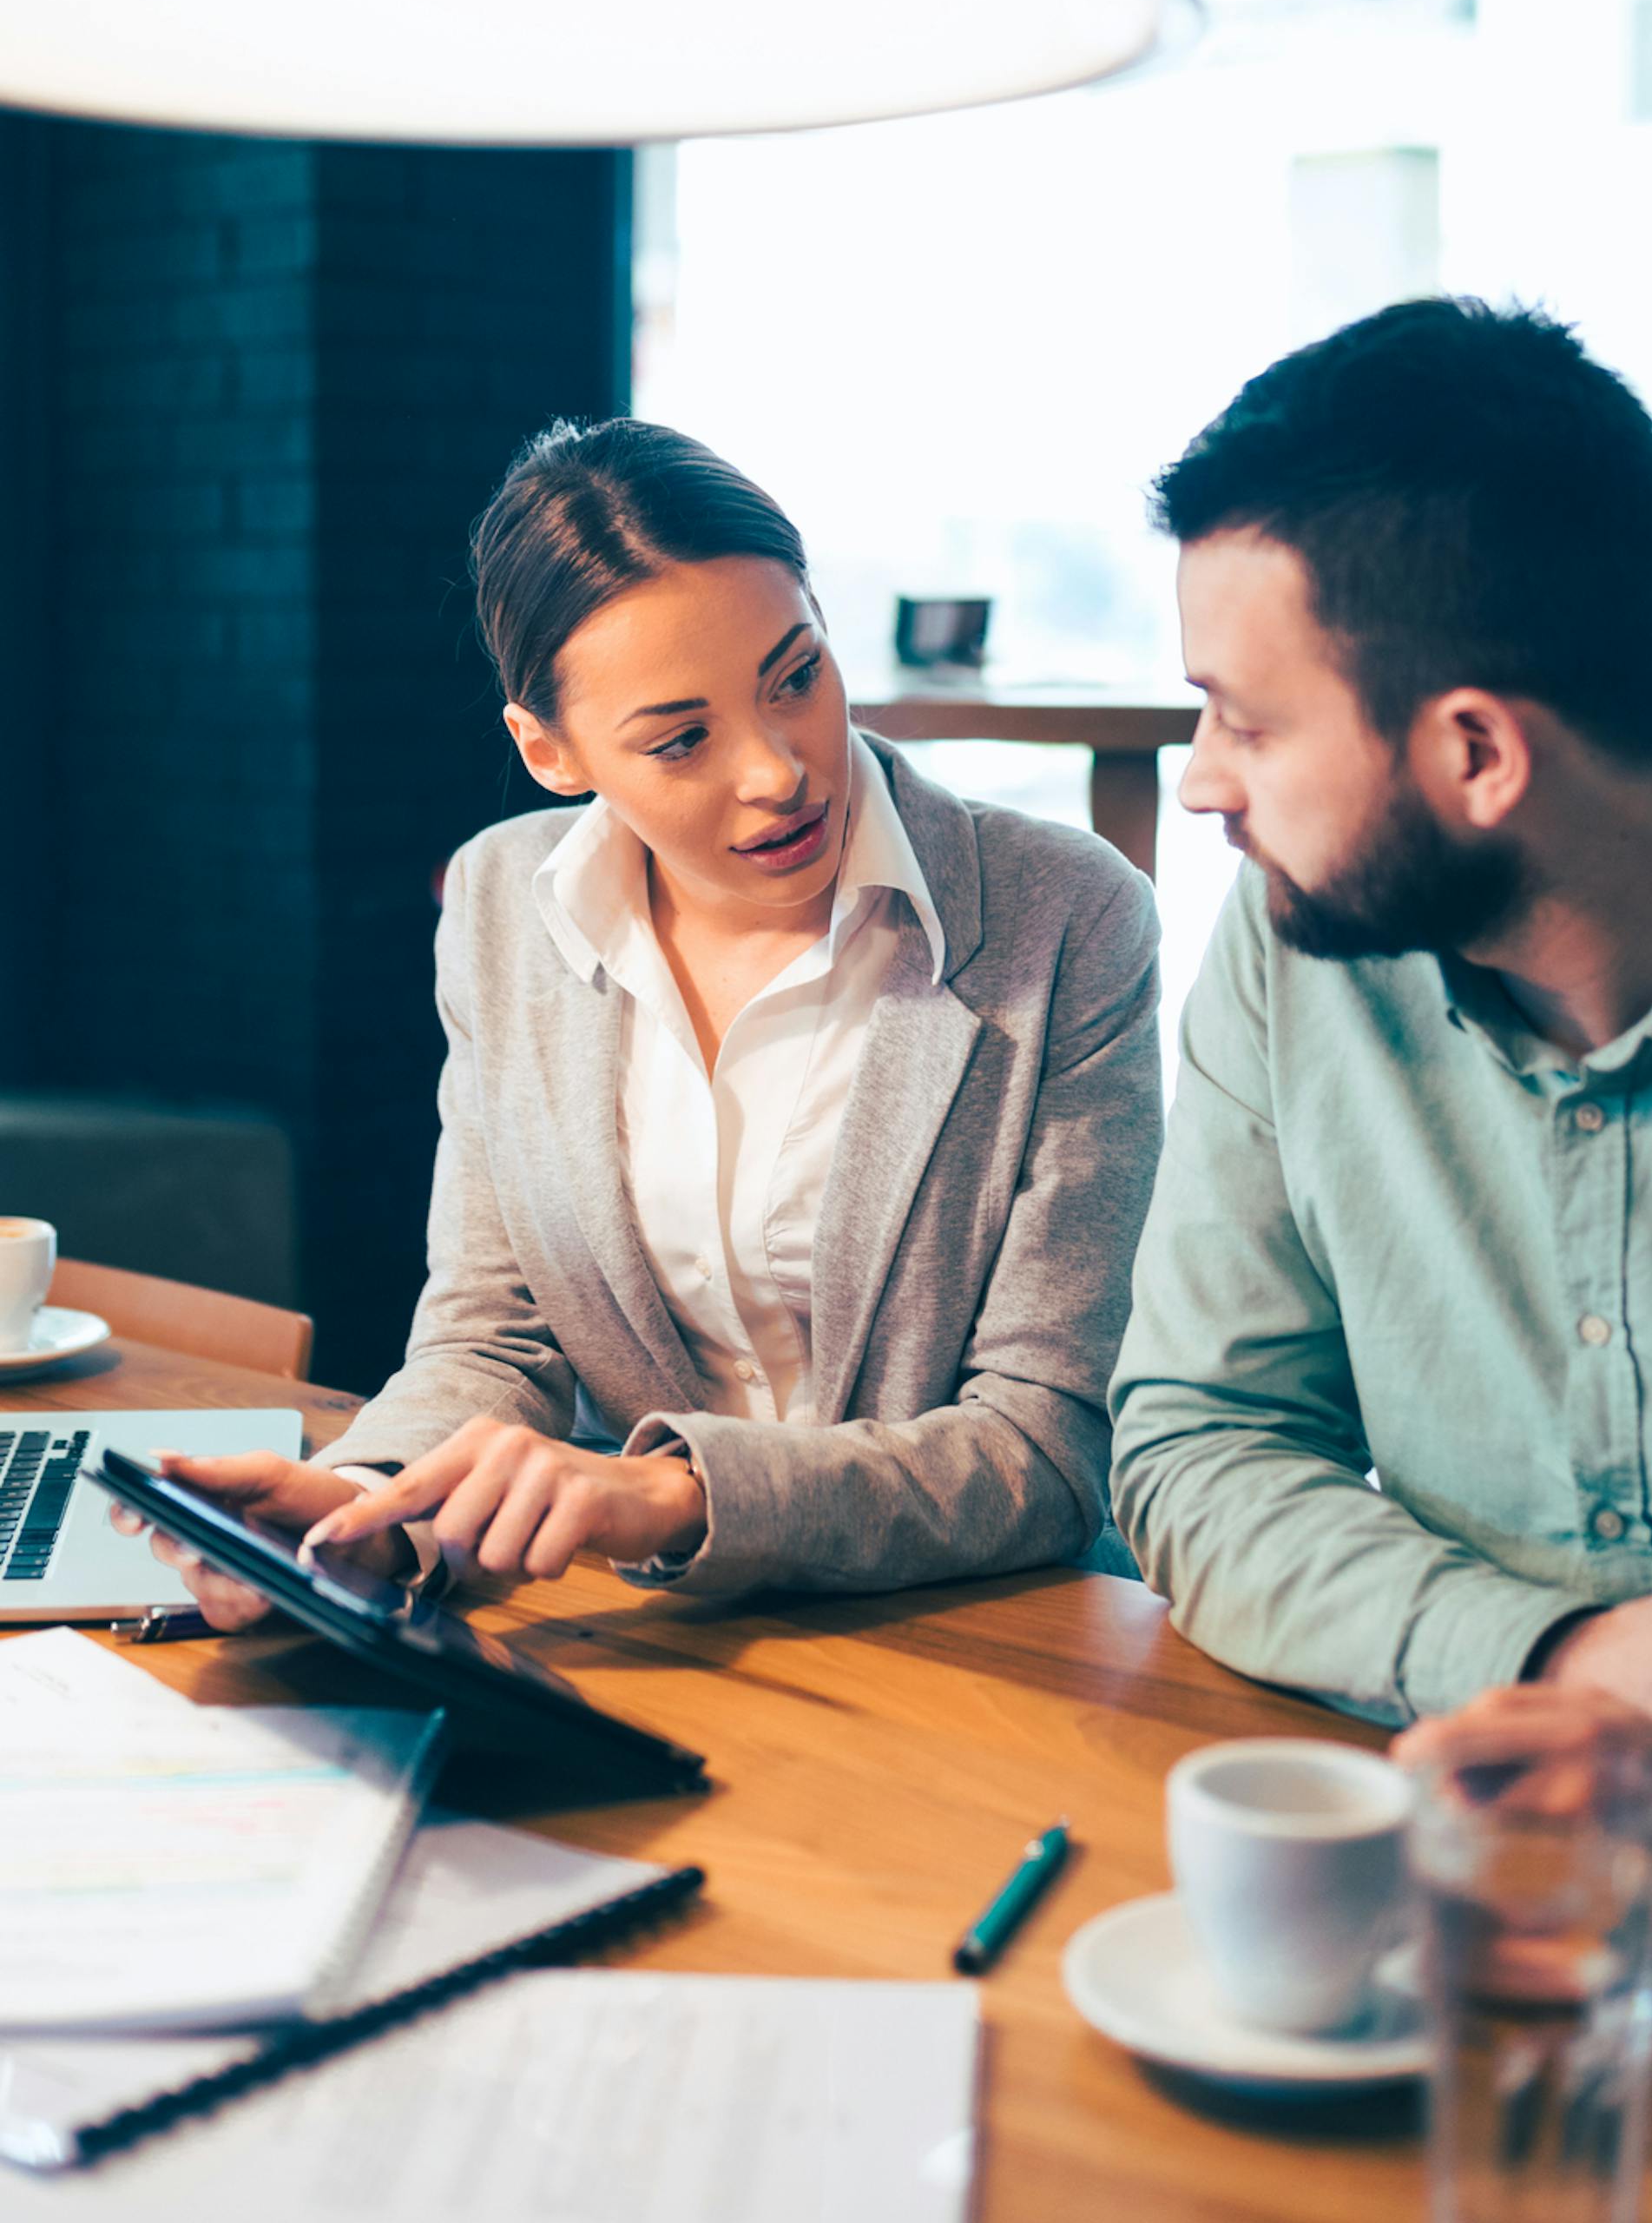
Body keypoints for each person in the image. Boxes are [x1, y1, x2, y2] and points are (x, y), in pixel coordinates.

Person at [1109, 299, 1652, 1980]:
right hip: (1444, 1900)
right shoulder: (1303, 948)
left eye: (1244, 718)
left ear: (1475, 752)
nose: (1201, 784)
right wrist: (1562, 1654)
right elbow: (1194, 1439)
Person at [139, 418, 1161, 1621]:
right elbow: (492, 1336)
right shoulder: (501, 906)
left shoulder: (1066, 917)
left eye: (797, 677)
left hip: (972, 1635)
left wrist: (676, 1497)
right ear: (550, 752)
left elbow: (1044, 1447)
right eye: (682, 739)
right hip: (652, 1634)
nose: (778, 770)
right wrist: (366, 1503)